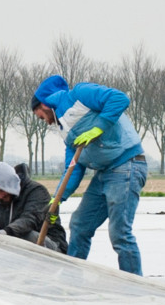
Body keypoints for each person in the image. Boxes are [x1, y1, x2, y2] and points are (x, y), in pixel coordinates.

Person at [31, 73, 149, 274]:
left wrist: (98, 128)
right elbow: (73, 168)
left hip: (126, 165)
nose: (43, 121)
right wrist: (57, 200)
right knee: (79, 224)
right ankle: (72, 280)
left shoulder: (79, 94)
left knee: (120, 233)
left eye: (39, 116)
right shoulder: (65, 131)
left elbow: (119, 99)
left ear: (44, 104)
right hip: (104, 173)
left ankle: (133, 286)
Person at [0, 159, 67, 253]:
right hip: (14, 240)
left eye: (1, 190)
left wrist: (7, 231)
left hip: (50, 243)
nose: (0, 196)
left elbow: (29, 219)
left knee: (26, 236)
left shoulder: (37, 191)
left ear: (10, 186)